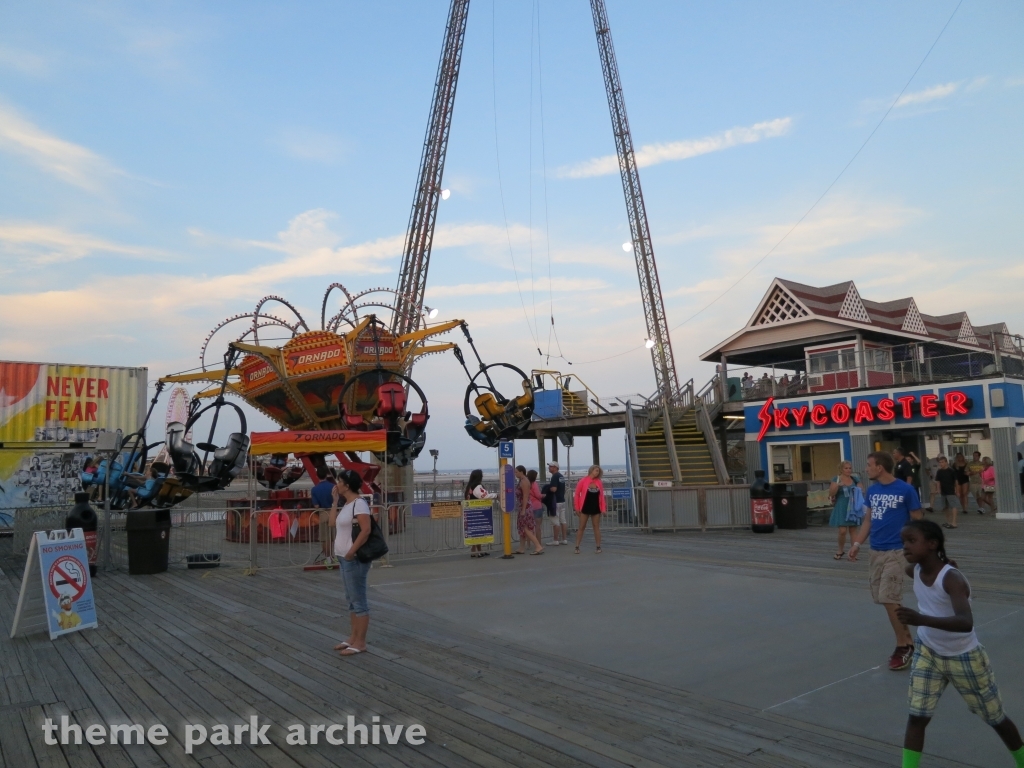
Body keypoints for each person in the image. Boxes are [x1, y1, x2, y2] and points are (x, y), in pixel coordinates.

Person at [896, 520, 1024, 768]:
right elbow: (909, 569)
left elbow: (965, 622)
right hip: (928, 652)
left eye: (912, 541)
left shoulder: (952, 579)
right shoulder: (916, 571)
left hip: (963, 656)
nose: (905, 547)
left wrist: (920, 619)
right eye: (904, 542)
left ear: (932, 544)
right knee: (917, 716)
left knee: (994, 717)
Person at [849, 451, 923, 671]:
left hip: (897, 552)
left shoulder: (906, 490)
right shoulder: (872, 491)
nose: (867, 468)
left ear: (880, 467)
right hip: (876, 551)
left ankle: (903, 646)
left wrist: (918, 549)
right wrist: (856, 544)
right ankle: (909, 641)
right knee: (884, 599)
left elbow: (918, 520)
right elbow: (868, 520)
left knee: (888, 596)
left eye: (869, 465)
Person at [330, 469, 373, 656]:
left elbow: (366, 530)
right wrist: (334, 502)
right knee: (351, 600)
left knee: (358, 601)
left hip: (353, 559)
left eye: (339, 481)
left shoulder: (359, 504)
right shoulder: (347, 504)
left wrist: (351, 552)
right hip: (343, 557)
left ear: (347, 485)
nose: (336, 484)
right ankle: (352, 638)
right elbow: (332, 523)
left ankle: (360, 642)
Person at [828, 461, 862, 559]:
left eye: (850, 468)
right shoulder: (836, 479)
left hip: (853, 506)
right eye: (846, 468)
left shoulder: (855, 479)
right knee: (842, 530)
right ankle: (840, 550)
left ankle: (853, 553)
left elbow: (861, 490)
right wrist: (838, 485)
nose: (848, 470)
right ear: (841, 469)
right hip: (842, 505)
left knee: (853, 530)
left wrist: (858, 489)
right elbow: (831, 493)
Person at [573, 465, 606, 554]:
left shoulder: (599, 482)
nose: (597, 472)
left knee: (596, 527)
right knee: (581, 527)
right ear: (591, 471)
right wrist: (576, 507)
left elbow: (602, 496)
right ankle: (577, 546)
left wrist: (603, 508)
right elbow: (576, 494)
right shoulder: (583, 481)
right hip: (585, 506)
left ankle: (598, 546)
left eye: (598, 471)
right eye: (596, 471)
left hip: (596, 507)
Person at [514, 465, 544, 555]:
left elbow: (525, 496)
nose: (515, 474)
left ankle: (538, 546)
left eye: (516, 472)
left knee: (525, 528)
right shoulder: (522, 481)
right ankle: (521, 548)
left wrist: (523, 509)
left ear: (521, 472)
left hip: (525, 507)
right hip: (523, 506)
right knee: (523, 527)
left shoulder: (524, 481)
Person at [311, 467, 337, 566]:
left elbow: (316, 506)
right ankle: (334, 556)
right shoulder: (333, 487)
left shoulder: (314, 489)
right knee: (333, 536)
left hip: (323, 513)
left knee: (324, 538)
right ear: (327, 475)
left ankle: (328, 559)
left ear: (317, 476)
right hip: (334, 512)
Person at [464, 469, 491, 558]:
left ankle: (479, 550)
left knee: (476, 530)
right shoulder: (477, 486)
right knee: (478, 531)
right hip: (478, 509)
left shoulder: (469, 486)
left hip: (470, 510)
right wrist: (496, 496)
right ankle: (475, 551)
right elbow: (484, 496)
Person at [933, 456, 961, 530]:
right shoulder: (939, 471)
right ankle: (948, 521)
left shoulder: (951, 471)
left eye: (942, 462)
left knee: (953, 506)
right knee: (945, 507)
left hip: (951, 491)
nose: (941, 464)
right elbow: (938, 481)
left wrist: (957, 491)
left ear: (946, 462)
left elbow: (956, 482)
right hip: (943, 492)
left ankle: (954, 522)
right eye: (940, 462)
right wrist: (938, 489)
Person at [545, 461, 568, 546]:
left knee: (555, 521)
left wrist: (548, 489)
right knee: (563, 521)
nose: (549, 468)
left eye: (551, 466)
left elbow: (554, 489)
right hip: (562, 500)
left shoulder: (555, 476)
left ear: (555, 467)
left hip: (555, 501)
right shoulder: (561, 476)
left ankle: (555, 540)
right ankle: (564, 539)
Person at [527, 469, 545, 542]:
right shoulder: (534, 484)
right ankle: (538, 543)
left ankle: (528, 544)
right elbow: (538, 495)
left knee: (529, 527)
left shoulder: (525, 483)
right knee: (537, 526)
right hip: (537, 506)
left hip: (528, 506)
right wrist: (543, 495)